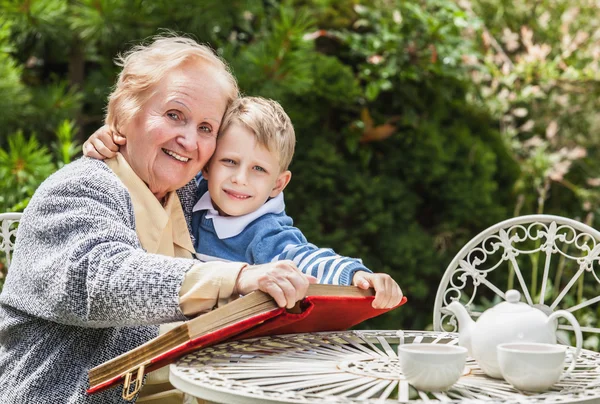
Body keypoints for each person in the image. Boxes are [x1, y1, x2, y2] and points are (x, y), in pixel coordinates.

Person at [0, 36, 317, 404]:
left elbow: (260, 208)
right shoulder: (77, 190)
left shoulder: (188, 195)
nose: (188, 139)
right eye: (173, 115)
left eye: (205, 128)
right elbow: (102, 280)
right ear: (126, 112)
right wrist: (237, 277)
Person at [84, 97, 403, 308]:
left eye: (258, 169)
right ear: (207, 165)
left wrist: (357, 276)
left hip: (237, 357)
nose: (240, 179)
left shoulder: (265, 231)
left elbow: (304, 259)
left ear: (278, 184)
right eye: (230, 162)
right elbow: (150, 167)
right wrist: (111, 140)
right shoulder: (191, 193)